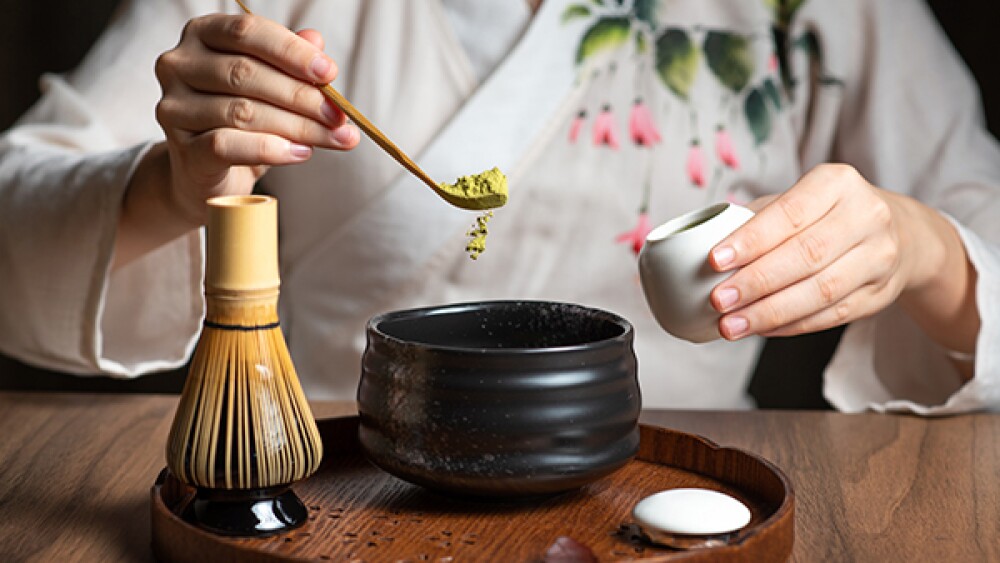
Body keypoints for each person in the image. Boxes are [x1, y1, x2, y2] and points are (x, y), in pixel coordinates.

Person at [0, 0, 995, 414]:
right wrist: (174, 186)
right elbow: (18, 212)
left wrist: (919, 247)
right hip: (338, 484)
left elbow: (976, 214)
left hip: (686, 500)